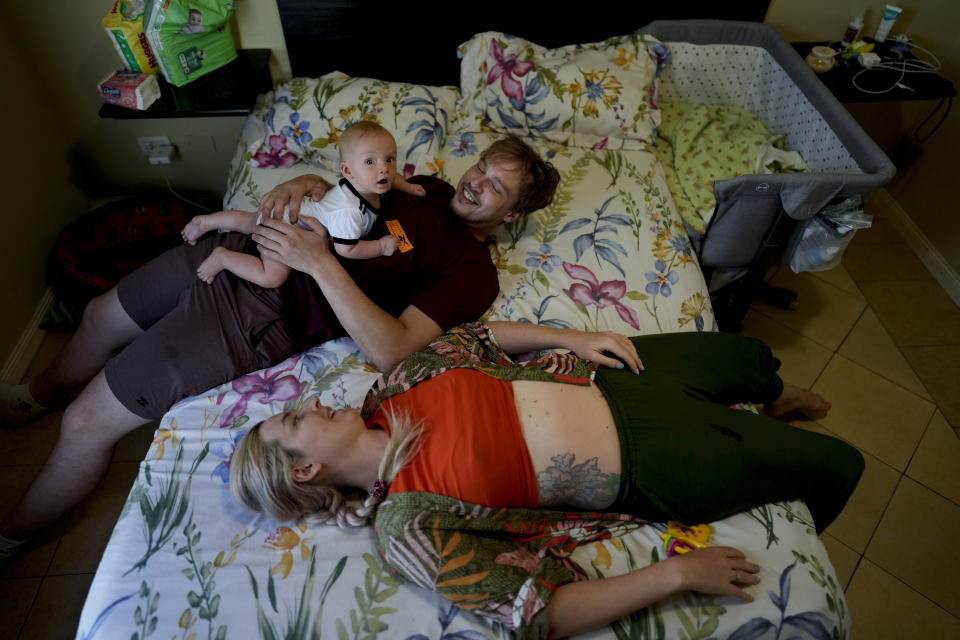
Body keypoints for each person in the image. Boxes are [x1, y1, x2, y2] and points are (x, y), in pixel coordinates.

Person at [0, 135, 560, 559]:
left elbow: (396, 350)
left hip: (261, 311)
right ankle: (37, 394)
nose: (475, 182)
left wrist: (316, 262)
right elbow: (345, 198)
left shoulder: (470, 271)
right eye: (482, 166)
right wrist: (309, 185)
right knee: (99, 315)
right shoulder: (429, 189)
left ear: (511, 215)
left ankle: (10, 535)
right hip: (241, 245)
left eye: (495, 186)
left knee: (85, 423)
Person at [230, 321, 864, 639]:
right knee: (837, 466)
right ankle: (769, 417)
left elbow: (474, 336)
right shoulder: (408, 525)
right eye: (295, 419)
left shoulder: (393, 386)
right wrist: (677, 573)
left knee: (747, 355)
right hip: (656, 460)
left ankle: (776, 394)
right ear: (306, 470)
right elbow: (538, 614)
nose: (310, 403)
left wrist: (575, 336)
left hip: (620, 378)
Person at [181, 122, 427, 286]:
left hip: (294, 211)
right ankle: (223, 258)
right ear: (347, 170)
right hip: (288, 229)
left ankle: (206, 221)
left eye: (390, 159)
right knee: (272, 277)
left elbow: (390, 179)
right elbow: (346, 250)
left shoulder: (368, 181)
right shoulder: (351, 212)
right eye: (370, 162)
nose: (384, 168)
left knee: (249, 220)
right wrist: (380, 246)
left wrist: (409, 187)